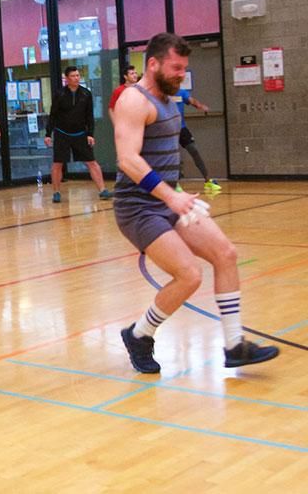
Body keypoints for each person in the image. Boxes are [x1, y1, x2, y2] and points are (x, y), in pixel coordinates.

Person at [113, 32, 278, 373]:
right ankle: (140, 335)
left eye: (184, 68)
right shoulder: (134, 100)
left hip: (167, 200)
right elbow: (128, 159)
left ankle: (235, 346)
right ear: (154, 63)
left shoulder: (170, 100)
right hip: (138, 208)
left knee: (226, 254)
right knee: (189, 274)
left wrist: (175, 194)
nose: (180, 74)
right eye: (175, 67)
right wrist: (170, 195)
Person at [45, 66, 112, 203]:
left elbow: (89, 116)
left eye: (78, 75)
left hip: (80, 134)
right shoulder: (60, 94)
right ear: (67, 79)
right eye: (73, 76)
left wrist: (90, 134)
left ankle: (102, 190)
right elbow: (53, 115)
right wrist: (48, 133)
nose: (77, 78)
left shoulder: (86, 94)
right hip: (62, 133)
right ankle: (56, 192)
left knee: (91, 162)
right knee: (58, 163)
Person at [170, 86, 221, 192]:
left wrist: (200, 106)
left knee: (194, 150)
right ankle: (174, 183)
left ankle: (208, 180)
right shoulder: (162, 92)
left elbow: (191, 100)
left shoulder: (181, 92)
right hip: (168, 130)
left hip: (182, 129)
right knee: (172, 156)